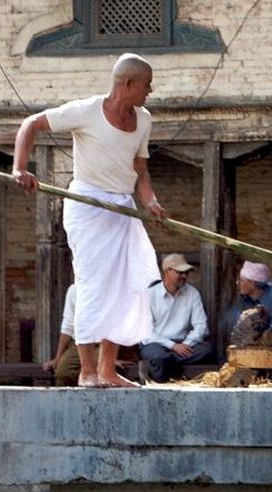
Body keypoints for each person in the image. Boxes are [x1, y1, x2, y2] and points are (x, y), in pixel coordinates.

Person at [12, 53, 166, 388]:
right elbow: (31, 124)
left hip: (122, 208)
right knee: (93, 285)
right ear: (127, 84)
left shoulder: (144, 119)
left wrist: (150, 200)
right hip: (87, 205)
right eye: (146, 84)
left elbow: (140, 168)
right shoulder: (87, 111)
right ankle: (86, 371)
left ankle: (107, 370)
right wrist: (20, 168)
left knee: (124, 287)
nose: (150, 91)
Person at [138, 253, 214, 383]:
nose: (184, 276)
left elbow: (201, 326)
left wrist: (186, 344)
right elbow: (146, 331)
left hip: (183, 343)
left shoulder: (192, 293)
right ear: (167, 272)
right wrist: (172, 346)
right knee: (158, 356)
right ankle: (165, 373)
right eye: (180, 272)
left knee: (208, 349)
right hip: (156, 343)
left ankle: (160, 365)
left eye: (186, 273)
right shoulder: (149, 295)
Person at [219, 260, 272, 359]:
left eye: (241, 280)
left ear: (252, 284)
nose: (237, 283)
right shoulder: (242, 300)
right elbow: (230, 321)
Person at [42, 283, 79, 387]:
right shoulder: (75, 289)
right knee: (63, 373)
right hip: (81, 344)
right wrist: (57, 358)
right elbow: (68, 325)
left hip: (110, 343)